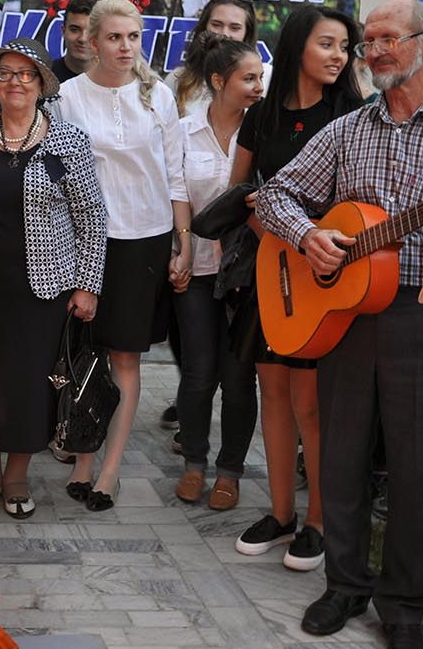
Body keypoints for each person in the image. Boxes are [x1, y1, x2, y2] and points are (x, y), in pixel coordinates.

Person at [256, 0, 423, 649]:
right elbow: (274, 194)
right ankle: (344, 584)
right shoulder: (346, 130)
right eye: (369, 40)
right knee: (339, 460)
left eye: (389, 38)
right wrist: (308, 235)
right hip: (346, 317)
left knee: (420, 469)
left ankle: (405, 605)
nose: (374, 51)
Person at [0, 38, 108, 518]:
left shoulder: (67, 141)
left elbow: (91, 217)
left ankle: (16, 477)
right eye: (5, 73)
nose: (14, 82)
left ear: (41, 84)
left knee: (28, 386)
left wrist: (88, 285)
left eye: (25, 74)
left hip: (42, 288)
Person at [229, 5, 362, 571]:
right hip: (272, 272)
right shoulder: (262, 116)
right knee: (275, 396)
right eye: (328, 43)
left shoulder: (351, 114)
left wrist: (313, 244)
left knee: (312, 404)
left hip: (327, 279)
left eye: (345, 46)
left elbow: (356, 202)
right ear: (297, 47)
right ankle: (281, 514)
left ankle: (319, 522)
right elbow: (240, 192)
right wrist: (277, 234)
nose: (339, 55)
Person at [56, 0, 190, 512]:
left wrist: (184, 241)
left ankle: (109, 470)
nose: (125, 47)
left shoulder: (160, 96)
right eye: (114, 37)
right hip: (84, 241)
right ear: (91, 43)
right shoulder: (68, 96)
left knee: (125, 359)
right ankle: (84, 458)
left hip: (145, 239)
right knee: (84, 354)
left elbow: (175, 174)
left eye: (133, 37)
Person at [171, 36, 264, 512]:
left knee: (238, 376)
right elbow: (177, 191)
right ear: (218, 81)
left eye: (261, 78)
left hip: (246, 274)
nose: (258, 87)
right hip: (198, 268)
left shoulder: (262, 131)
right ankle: (194, 464)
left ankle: (230, 473)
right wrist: (184, 249)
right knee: (198, 372)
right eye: (249, 78)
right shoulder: (184, 129)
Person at [165, 0, 272, 120]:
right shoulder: (178, 80)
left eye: (235, 28)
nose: (224, 33)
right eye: (216, 25)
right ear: (204, 27)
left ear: (247, 33)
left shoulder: (268, 78)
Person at [51, 0, 100, 84]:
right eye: (75, 29)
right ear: (63, 31)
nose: (83, 39)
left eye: (91, 31)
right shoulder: (43, 78)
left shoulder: (119, 80)